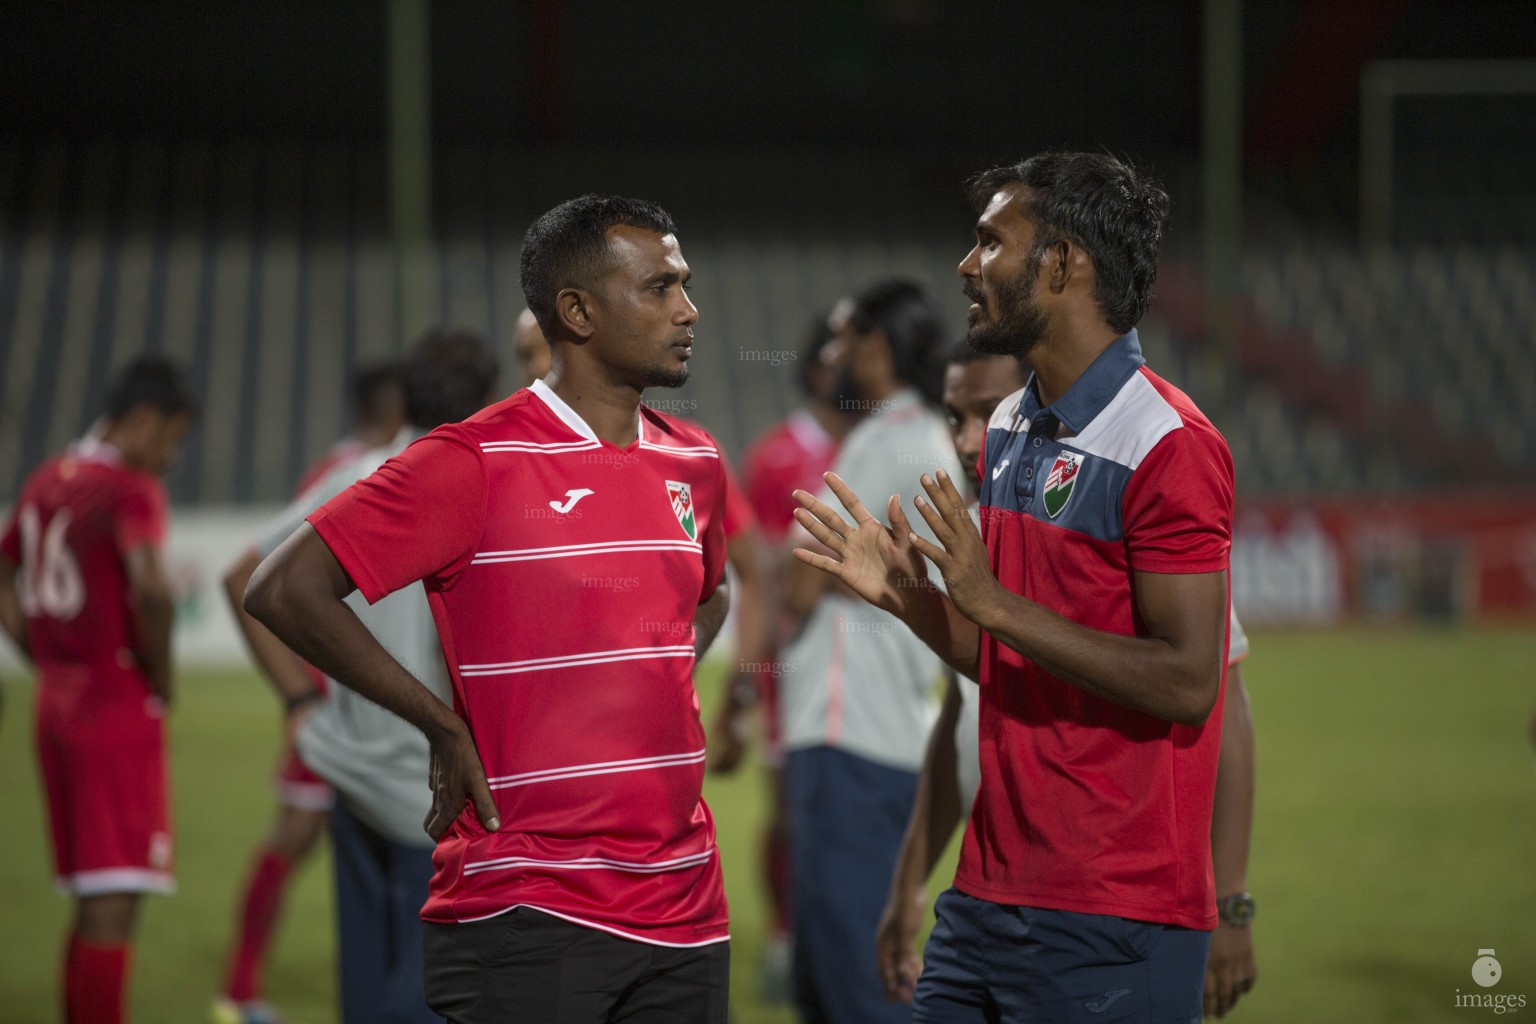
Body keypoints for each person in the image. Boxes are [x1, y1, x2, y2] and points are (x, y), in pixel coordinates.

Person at [245, 194, 734, 1023]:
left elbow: (710, 595)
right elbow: (281, 588)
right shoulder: (472, 460)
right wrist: (439, 722)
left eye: (684, 284)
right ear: (576, 312)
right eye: (659, 288)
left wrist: (643, 684)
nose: (689, 310)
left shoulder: (696, 461)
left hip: (687, 905)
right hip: (529, 902)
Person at [793, 152, 1234, 1022]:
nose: (967, 265)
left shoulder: (1169, 442)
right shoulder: (1010, 424)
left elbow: (1189, 683)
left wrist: (992, 602)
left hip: (1115, 912)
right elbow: (1004, 657)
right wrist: (910, 599)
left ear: (1064, 262)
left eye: (991, 242)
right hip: (986, 896)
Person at [875, 343, 1260, 1021]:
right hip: (987, 894)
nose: (968, 438)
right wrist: (914, 599)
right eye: (953, 416)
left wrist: (1232, 899)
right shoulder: (982, 507)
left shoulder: (1150, 457)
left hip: (1108, 898)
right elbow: (969, 704)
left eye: (980, 411)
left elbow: (1210, 697)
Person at [215, 332, 496, 1024]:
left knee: (367, 994)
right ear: (490, 395)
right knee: (433, 998)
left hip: (350, 773)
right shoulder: (486, 479)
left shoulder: (356, 472)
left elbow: (241, 578)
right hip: (436, 792)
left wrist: (300, 700)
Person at [777, 279, 961, 1024]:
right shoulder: (932, 438)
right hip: (888, 728)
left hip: (847, 730)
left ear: (878, 350)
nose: (829, 357)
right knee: (834, 972)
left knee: (851, 975)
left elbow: (797, 583)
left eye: (844, 339)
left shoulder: (887, 438)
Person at [0, 356, 198, 1024]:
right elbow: (150, 585)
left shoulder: (44, 480)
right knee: (115, 898)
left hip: (55, 707)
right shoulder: (126, 487)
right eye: (171, 437)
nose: (169, 457)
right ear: (142, 421)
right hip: (114, 708)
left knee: (90, 899)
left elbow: (4, 572)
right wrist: (162, 679)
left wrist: (44, 655)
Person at [213, 361, 407, 1024]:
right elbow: (266, 580)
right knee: (307, 835)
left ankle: (246, 986)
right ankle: (240, 988)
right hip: (346, 697)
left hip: (336, 694)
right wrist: (303, 696)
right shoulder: (372, 470)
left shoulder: (330, 467)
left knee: (313, 839)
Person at [712, 313, 856, 1003]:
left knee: (859, 813)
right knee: (793, 813)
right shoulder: (776, 455)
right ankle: (782, 935)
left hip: (866, 667)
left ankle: (848, 934)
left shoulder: (884, 442)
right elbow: (757, 571)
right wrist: (747, 682)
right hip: (791, 666)